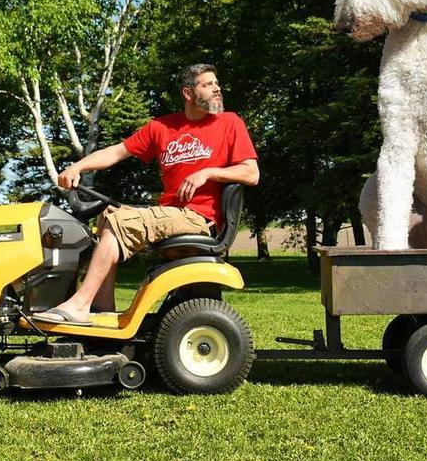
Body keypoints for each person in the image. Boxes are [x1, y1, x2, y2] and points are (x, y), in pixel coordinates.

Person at [32, 64, 259, 325]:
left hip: (199, 217)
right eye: (207, 84)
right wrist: (78, 166)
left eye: (216, 83)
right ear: (188, 92)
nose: (217, 88)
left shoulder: (229, 122)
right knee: (108, 214)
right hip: (172, 213)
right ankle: (102, 306)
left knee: (122, 222)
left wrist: (207, 173)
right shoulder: (163, 126)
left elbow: (251, 173)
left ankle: (79, 304)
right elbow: (117, 152)